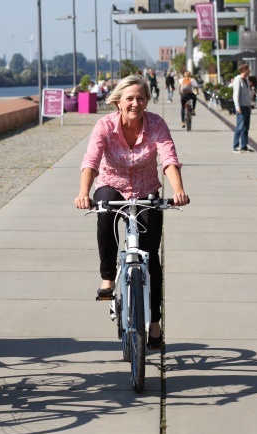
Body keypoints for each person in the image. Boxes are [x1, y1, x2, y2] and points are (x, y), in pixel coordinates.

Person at [73, 74, 190, 351]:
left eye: (140, 98)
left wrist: (178, 191)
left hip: (147, 189)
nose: (135, 103)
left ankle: (155, 324)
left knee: (151, 259)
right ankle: (108, 277)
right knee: (104, 213)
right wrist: (83, 193)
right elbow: (91, 160)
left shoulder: (156, 124)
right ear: (118, 101)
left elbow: (169, 158)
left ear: (147, 100)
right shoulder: (104, 126)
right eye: (129, 98)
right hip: (112, 185)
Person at [232, 64, 252, 153]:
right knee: (239, 127)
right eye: (248, 69)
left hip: (247, 106)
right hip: (241, 107)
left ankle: (244, 146)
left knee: (246, 127)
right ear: (243, 70)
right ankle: (235, 146)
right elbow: (235, 94)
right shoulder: (238, 80)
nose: (249, 71)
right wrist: (237, 106)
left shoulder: (246, 79)